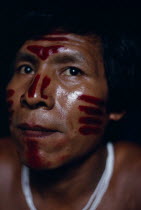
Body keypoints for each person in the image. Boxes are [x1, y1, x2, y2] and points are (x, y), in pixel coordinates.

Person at [0, 8, 141, 210]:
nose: (33, 96)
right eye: (26, 68)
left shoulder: (136, 185)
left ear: (116, 103)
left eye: (72, 71)